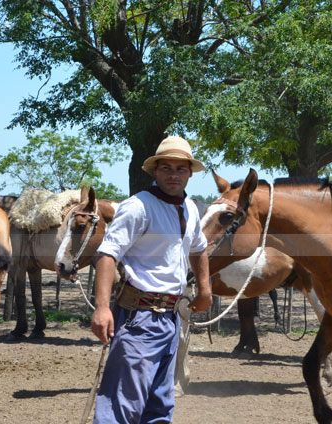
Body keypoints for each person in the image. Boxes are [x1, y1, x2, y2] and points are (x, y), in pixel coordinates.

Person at [91, 136, 212, 423]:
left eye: (181, 168)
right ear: (155, 171)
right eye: (166, 168)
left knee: (159, 406)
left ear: (190, 173)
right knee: (122, 406)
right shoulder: (138, 207)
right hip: (139, 318)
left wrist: (205, 288)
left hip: (171, 318)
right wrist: (102, 307)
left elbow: (198, 248)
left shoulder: (191, 208)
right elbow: (107, 255)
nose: (173, 174)